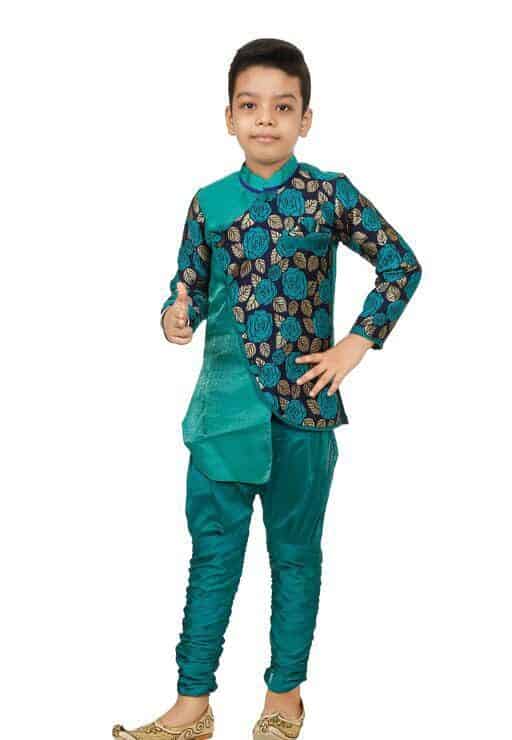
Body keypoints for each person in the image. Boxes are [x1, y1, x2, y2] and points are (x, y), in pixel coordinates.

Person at [112, 37, 422, 740]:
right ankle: (192, 704)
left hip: (303, 413)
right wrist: (175, 316)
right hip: (222, 413)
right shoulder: (210, 204)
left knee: (295, 557)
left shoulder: (329, 194)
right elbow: (188, 285)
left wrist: (356, 343)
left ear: (305, 118)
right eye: (250, 106)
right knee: (212, 558)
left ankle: (284, 698)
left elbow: (400, 264)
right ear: (229, 117)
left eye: (283, 107)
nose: (265, 119)